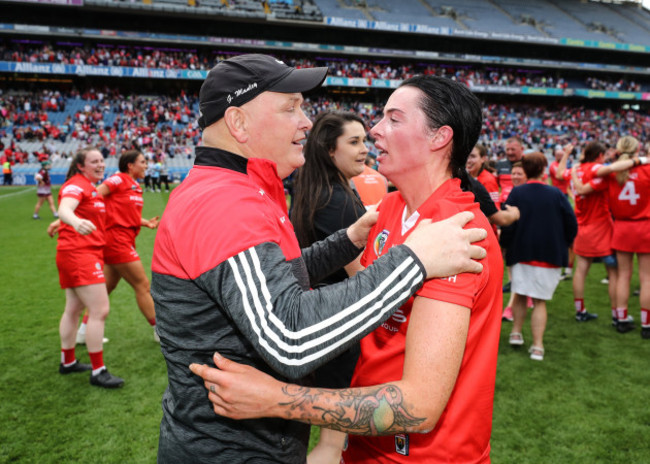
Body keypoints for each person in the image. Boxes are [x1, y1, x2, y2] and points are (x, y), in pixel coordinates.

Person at [150, 55, 488, 464]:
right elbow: (290, 337)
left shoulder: (241, 189)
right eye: (290, 107)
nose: (307, 121)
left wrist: (346, 240)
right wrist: (413, 260)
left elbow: (267, 281)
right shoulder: (224, 203)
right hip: (229, 450)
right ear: (238, 123)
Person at [290, 111, 369, 464]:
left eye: (365, 140)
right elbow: (363, 278)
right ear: (328, 150)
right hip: (340, 331)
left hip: (319, 321)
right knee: (330, 446)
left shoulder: (318, 192)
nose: (364, 149)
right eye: (354, 142)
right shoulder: (337, 201)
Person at [49, 149, 161, 342]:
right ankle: (161, 332)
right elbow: (91, 197)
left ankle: (83, 332)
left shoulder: (134, 185)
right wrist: (66, 220)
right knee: (142, 285)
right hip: (116, 241)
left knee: (106, 288)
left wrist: (144, 222)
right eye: (142, 162)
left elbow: (123, 214)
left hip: (121, 240)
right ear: (130, 165)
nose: (146, 165)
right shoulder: (119, 180)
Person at [55, 146, 123, 388]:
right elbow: (65, 208)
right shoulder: (76, 184)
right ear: (81, 166)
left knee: (73, 308)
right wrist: (72, 221)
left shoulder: (89, 187)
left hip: (78, 253)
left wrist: (61, 222)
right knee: (99, 310)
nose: (100, 164)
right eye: (94, 161)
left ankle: (68, 361)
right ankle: (98, 371)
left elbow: (74, 210)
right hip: (79, 254)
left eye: (102, 160)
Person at [502, 152, 577, 361]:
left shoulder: (517, 193)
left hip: (521, 251)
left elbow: (508, 222)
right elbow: (571, 223)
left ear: (525, 170)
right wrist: (563, 241)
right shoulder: (556, 194)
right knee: (539, 301)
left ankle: (516, 333)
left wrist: (505, 245)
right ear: (544, 170)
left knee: (520, 293)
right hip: (550, 253)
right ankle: (537, 345)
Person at [571, 136, 650, 335]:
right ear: (637, 149)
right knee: (646, 278)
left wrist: (573, 172)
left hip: (622, 229)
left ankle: (621, 318)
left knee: (623, 275)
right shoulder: (647, 170)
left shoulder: (611, 173)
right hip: (645, 227)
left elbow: (583, 190)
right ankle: (646, 325)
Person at [560, 141, 639, 322]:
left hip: (582, 225)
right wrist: (640, 159)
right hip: (602, 227)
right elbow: (607, 171)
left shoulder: (578, 169)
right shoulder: (597, 168)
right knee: (614, 272)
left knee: (580, 270)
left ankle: (580, 311)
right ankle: (616, 314)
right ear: (600, 155)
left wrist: (568, 161)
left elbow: (559, 173)